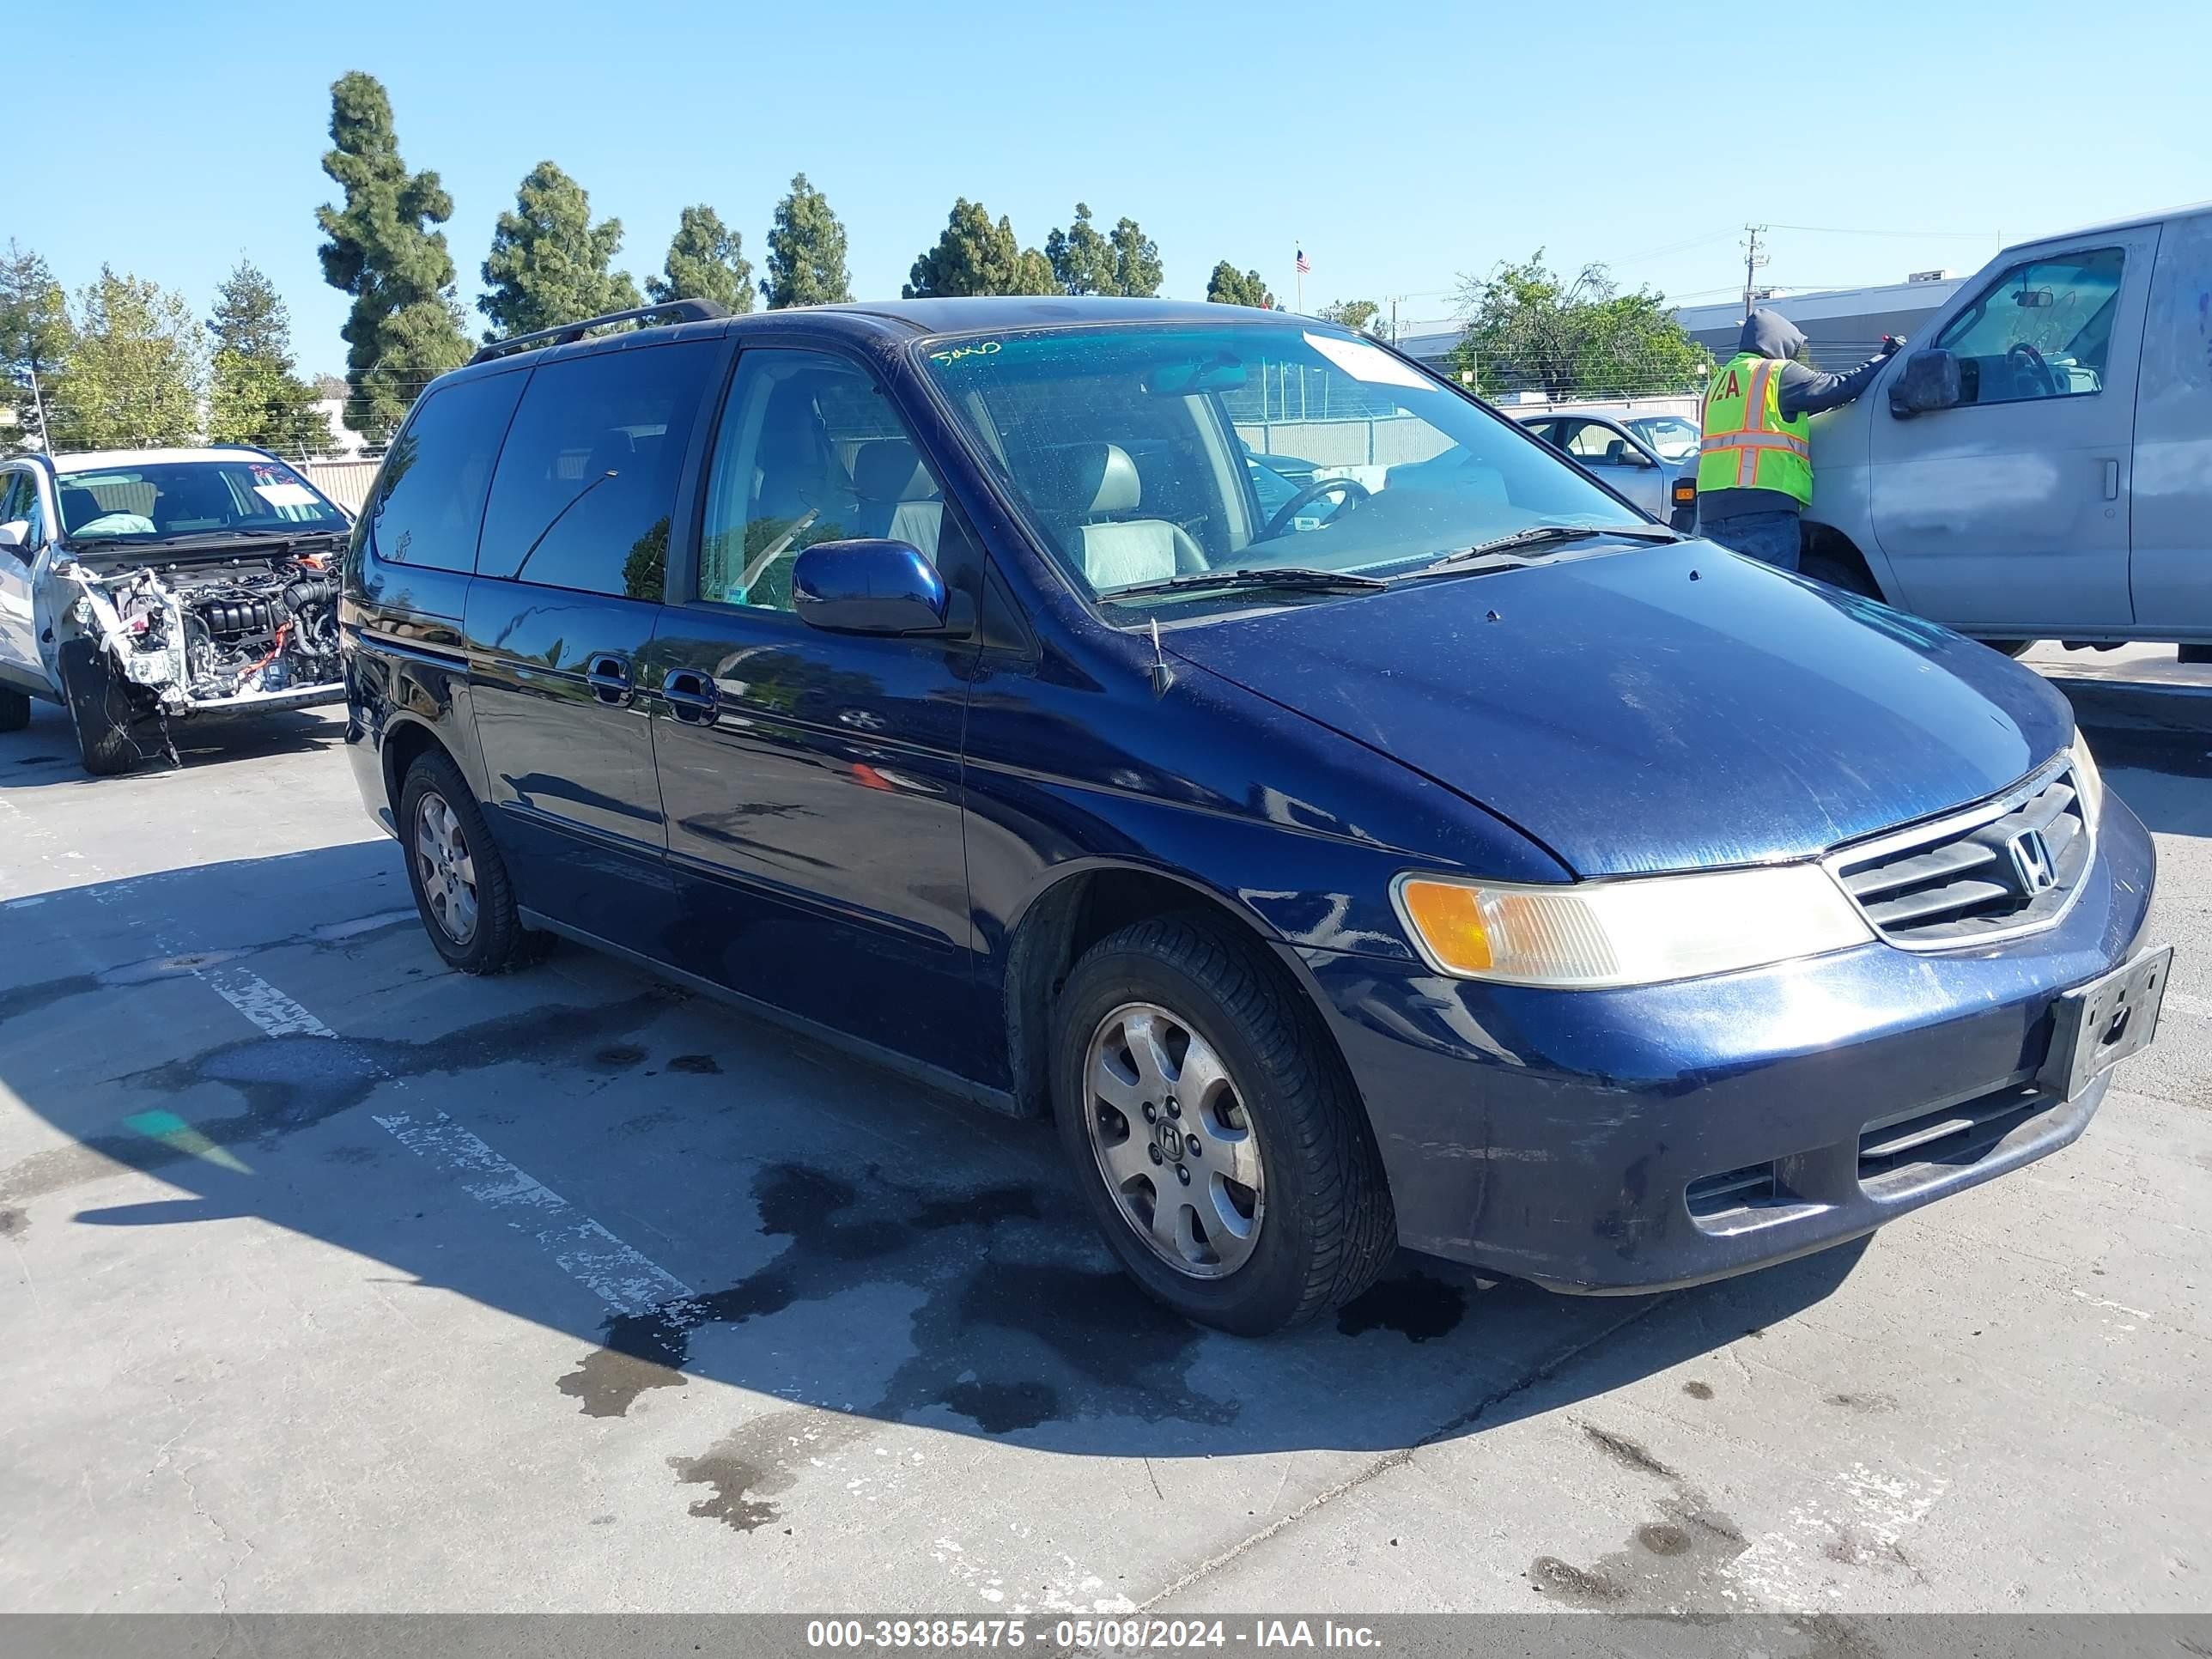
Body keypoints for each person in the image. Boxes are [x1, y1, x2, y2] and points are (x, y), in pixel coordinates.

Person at [1695, 309, 1900, 570]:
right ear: (1779, 342)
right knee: (1774, 601)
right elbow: (1840, 387)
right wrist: (1886, 357)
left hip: (1712, 511)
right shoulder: (1775, 373)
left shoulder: (1718, 383)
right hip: (1764, 509)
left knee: (1731, 600)